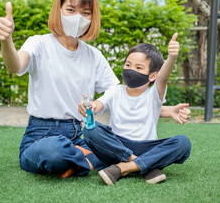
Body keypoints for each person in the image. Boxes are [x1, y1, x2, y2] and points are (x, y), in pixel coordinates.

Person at [0, 0, 190, 178]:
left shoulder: (94, 55)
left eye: (85, 13)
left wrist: (166, 110)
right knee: (53, 151)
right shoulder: (39, 44)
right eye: (70, 10)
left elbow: (123, 98)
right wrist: (7, 40)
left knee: (105, 134)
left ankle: (85, 163)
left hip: (79, 135)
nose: (78, 17)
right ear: (59, 9)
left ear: (92, 17)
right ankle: (123, 161)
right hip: (41, 135)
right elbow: (15, 65)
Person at [78, 35, 192, 185]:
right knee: (90, 129)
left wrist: (171, 57)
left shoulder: (153, 94)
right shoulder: (115, 91)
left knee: (183, 143)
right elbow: (99, 104)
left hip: (146, 147)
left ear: (152, 76)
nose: (131, 70)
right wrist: (91, 105)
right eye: (128, 65)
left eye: (139, 68)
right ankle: (142, 165)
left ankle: (123, 168)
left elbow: (162, 79)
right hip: (117, 145)